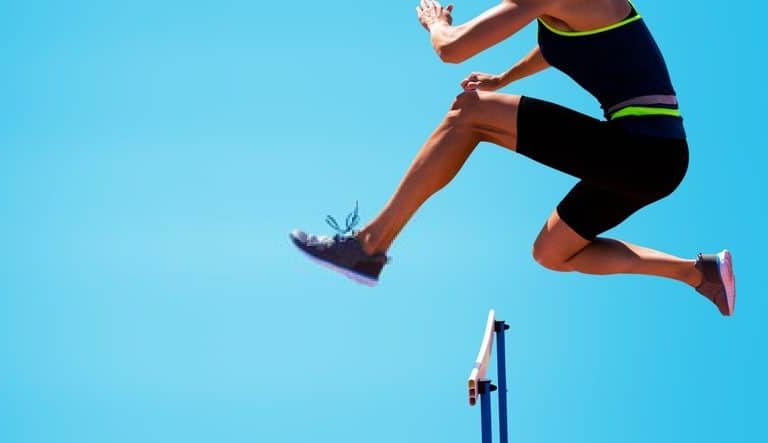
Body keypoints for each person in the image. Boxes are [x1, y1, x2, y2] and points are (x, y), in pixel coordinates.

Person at [289, 0, 736, 316]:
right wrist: (504, 77)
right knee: (552, 252)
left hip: (643, 150)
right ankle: (700, 274)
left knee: (469, 114)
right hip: (652, 160)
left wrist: (435, 22)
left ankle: (369, 246)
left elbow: (452, 49)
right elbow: (557, 45)